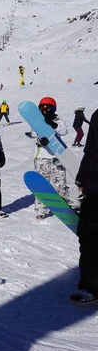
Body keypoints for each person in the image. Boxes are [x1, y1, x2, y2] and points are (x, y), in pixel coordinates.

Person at [25, 97, 70, 219]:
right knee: (42, 184)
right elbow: (33, 133)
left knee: (60, 183)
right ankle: (41, 209)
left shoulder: (58, 120)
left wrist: (53, 124)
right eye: (42, 108)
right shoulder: (38, 121)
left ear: (53, 108)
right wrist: (41, 139)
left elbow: (64, 131)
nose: (45, 110)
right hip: (42, 157)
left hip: (57, 156)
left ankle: (63, 207)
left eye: (47, 108)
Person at [72, 108, 98, 303]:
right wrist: (82, 177)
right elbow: (90, 149)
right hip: (94, 187)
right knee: (89, 237)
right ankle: (90, 285)